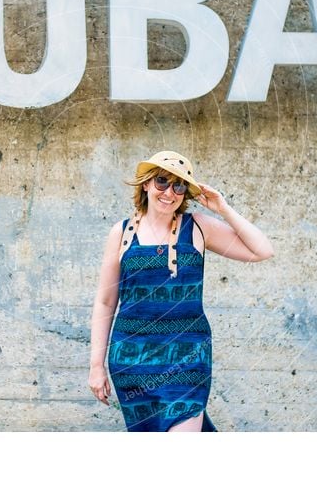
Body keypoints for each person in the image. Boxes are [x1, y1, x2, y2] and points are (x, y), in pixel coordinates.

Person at [88, 150, 274, 431]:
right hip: (132, 362)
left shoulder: (198, 228)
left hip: (187, 361)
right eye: (162, 181)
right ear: (146, 184)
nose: (169, 192)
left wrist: (223, 208)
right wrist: (96, 366)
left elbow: (262, 250)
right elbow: (105, 302)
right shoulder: (122, 232)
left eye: (179, 186)